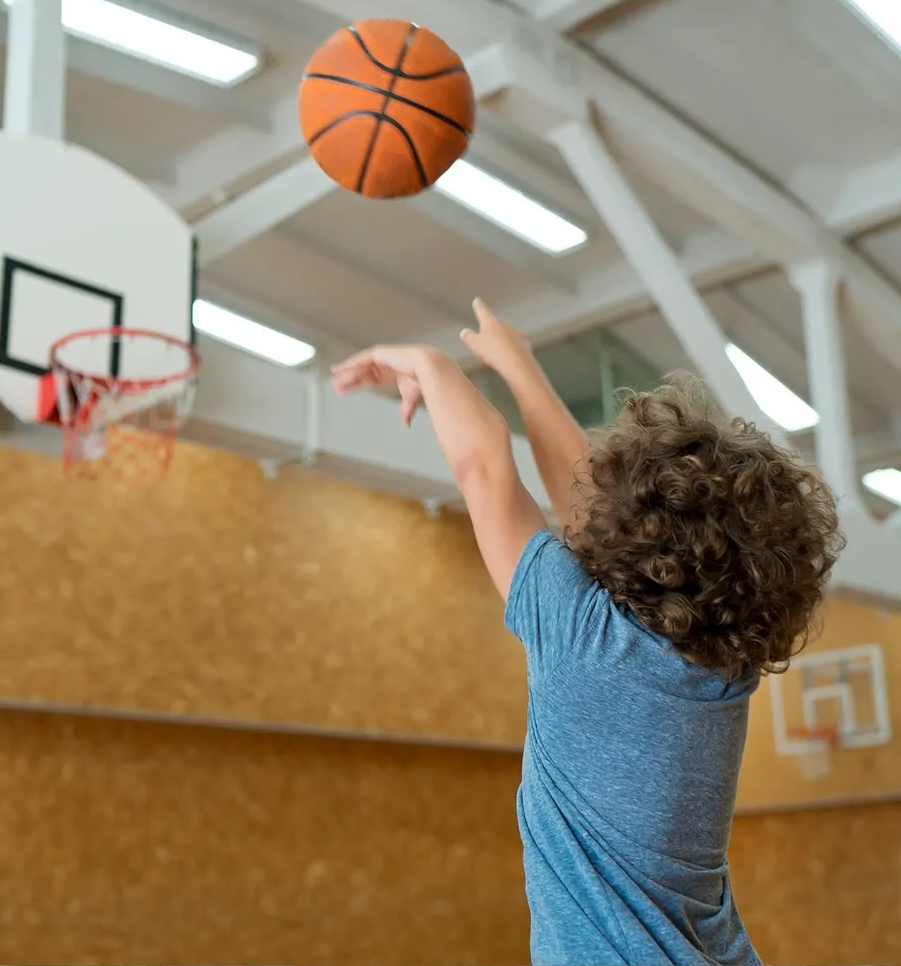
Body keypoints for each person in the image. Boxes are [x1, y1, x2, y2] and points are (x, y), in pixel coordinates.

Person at [331, 299, 842, 966]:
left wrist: (431, 365)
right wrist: (513, 367)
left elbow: (488, 466)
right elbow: (571, 497)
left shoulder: (583, 637)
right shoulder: (723, 672)